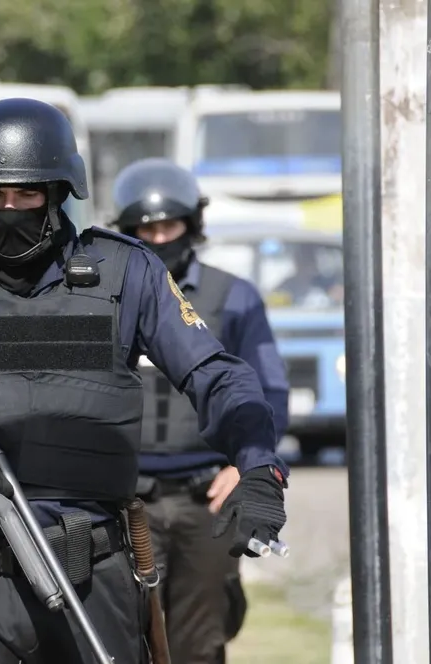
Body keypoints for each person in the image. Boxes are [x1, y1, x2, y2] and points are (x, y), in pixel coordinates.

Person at [0, 98, 290, 664]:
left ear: (58, 191)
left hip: (92, 577)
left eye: (26, 195)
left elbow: (215, 374)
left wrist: (257, 463)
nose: (9, 210)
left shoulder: (127, 272)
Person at [112, 158, 290, 664]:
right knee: (121, 638)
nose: (158, 238)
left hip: (205, 498)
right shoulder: (106, 298)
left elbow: (269, 391)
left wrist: (244, 464)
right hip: (126, 500)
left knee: (200, 643)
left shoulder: (234, 297)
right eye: (145, 230)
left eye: (169, 227)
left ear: (192, 225)